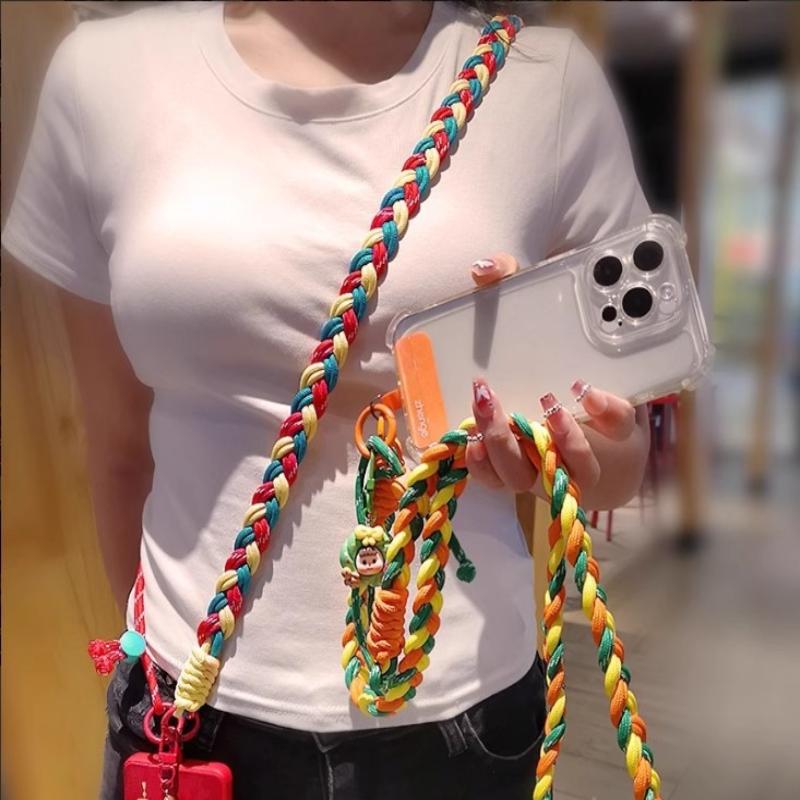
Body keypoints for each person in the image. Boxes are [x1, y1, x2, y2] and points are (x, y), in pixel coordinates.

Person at [1, 2, 651, 798]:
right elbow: (116, 447)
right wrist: (161, 663)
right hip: (185, 717)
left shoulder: (545, 85)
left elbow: (619, 459)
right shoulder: (101, 76)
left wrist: (573, 449)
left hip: (462, 725)